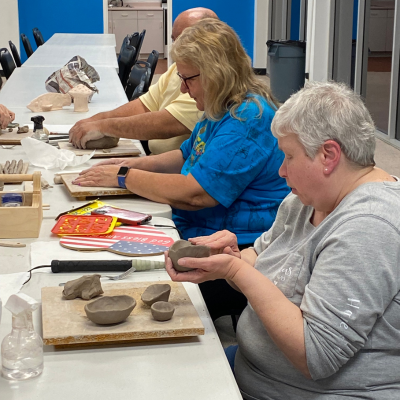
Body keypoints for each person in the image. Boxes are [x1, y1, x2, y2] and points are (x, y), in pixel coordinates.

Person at [165, 81, 400, 399]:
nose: (281, 171)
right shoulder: (308, 199)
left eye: (289, 156)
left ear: (328, 155)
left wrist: (237, 272)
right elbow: (261, 260)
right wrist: (231, 261)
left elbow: (316, 354)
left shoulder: (369, 227)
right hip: (255, 372)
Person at [73, 19, 290, 321]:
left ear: (216, 73)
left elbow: (195, 194)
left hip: (237, 250)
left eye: (188, 79)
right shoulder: (222, 104)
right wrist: (128, 165)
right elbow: (185, 154)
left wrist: (125, 178)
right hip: (199, 233)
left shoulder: (247, 118)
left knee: (132, 292)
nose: (184, 90)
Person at [68, 8, 218, 155]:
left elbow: (165, 124)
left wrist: (103, 126)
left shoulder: (209, 84)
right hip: (160, 162)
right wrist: (95, 120)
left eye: (185, 42)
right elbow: (144, 105)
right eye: (174, 40)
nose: (176, 48)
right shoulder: (178, 70)